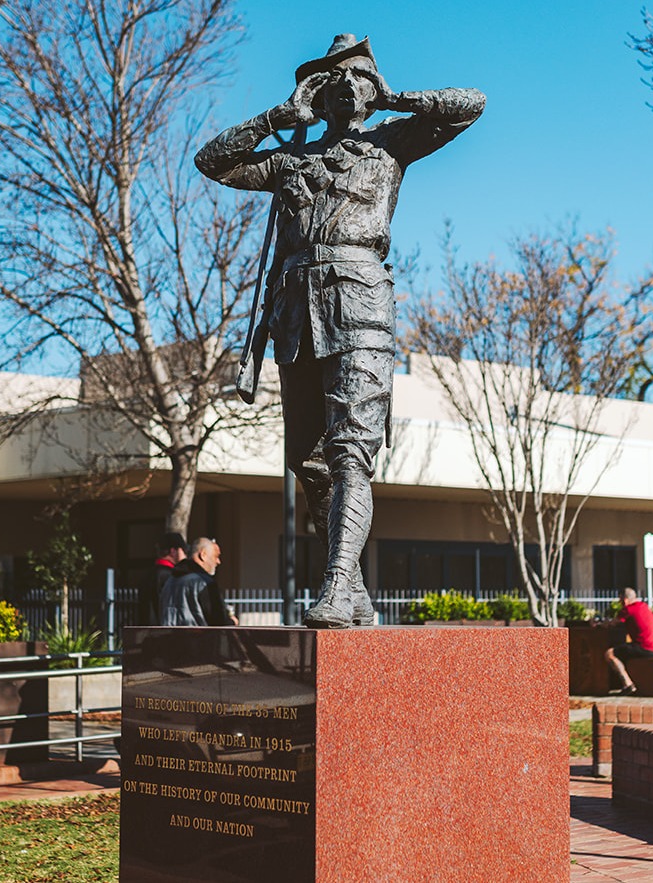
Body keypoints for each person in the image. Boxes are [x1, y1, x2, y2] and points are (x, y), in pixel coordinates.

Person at [195, 34, 485, 628]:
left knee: (352, 449)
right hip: (296, 313)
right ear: (317, 94)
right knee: (310, 463)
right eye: (335, 79)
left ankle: (333, 587)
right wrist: (279, 115)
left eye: (359, 77)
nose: (348, 87)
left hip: (361, 302)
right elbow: (213, 162)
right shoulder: (290, 162)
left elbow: (471, 104)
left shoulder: (390, 147)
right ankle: (352, 596)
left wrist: (397, 97)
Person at [159, 537, 236, 626]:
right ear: (203, 555)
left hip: (170, 637)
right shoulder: (204, 583)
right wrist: (232, 622)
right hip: (198, 638)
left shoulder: (170, 581)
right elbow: (219, 621)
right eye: (216, 556)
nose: (218, 561)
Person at [604, 587, 653, 695]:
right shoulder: (644, 606)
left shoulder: (628, 609)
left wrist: (598, 624)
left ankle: (628, 684)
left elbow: (612, 624)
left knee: (610, 654)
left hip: (645, 648)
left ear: (624, 600)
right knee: (625, 650)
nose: (620, 603)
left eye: (620, 601)